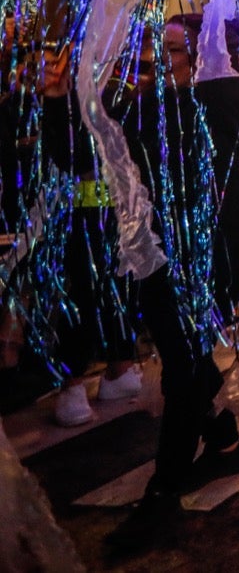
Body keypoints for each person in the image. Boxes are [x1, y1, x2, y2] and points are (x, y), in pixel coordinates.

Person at [47, 13, 239, 554]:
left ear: (206, 54)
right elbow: (81, 155)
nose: (156, 59)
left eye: (171, 49)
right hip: (160, 249)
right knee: (181, 356)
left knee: (186, 366)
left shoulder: (231, 98)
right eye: (157, 47)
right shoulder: (151, 102)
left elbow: (197, 135)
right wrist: (58, 101)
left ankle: (163, 488)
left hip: (219, 245)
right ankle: (225, 444)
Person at [37, 42, 141, 428]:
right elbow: (71, 158)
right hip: (78, 216)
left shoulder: (119, 95)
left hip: (114, 214)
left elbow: (94, 156)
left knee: (115, 290)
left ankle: (117, 367)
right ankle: (76, 381)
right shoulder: (68, 100)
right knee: (80, 293)